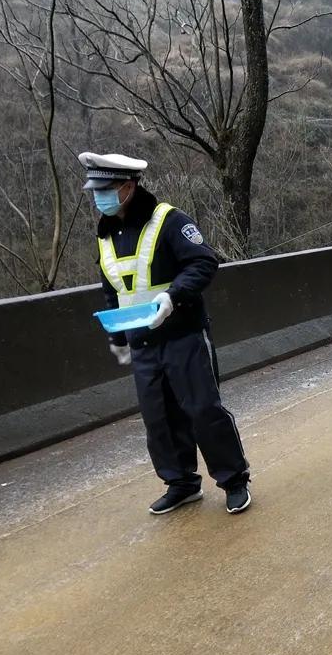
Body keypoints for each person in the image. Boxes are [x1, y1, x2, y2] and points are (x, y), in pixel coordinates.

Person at [82, 152, 252, 515]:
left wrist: (173, 296)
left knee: (203, 410)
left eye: (105, 189)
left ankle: (234, 480)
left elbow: (204, 261)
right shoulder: (106, 232)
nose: (99, 197)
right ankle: (181, 483)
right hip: (141, 342)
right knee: (158, 418)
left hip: (183, 335)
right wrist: (116, 336)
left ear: (128, 187)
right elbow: (112, 285)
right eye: (95, 190)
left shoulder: (168, 220)